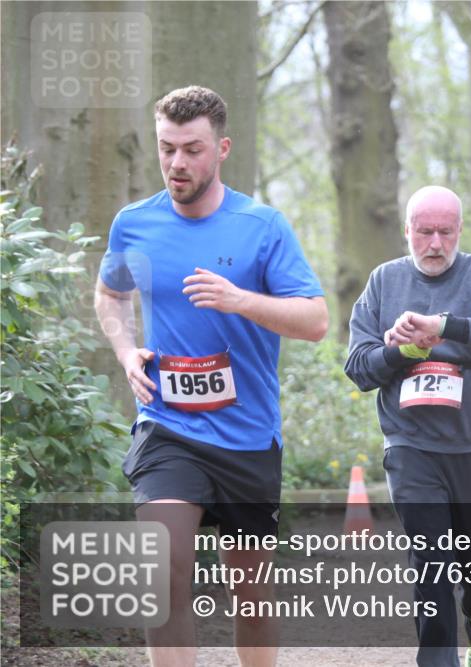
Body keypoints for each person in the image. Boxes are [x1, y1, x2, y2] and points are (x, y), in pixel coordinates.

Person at [94, 86, 328, 667]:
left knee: (250, 594)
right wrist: (126, 351)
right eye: (167, 149)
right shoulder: (135, 224)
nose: (177, 163)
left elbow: (316, 321)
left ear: (221, 148)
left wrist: (239, 300)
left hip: (248, 436)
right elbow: (109, 295)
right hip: (168, 427)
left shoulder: (262, 226)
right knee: (161, 565)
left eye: (192, 149)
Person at [345, 186, 471, 667]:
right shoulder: (384, 281)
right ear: (407, 230)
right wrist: (402, 352)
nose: (434, 243)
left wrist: (443, 327)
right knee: (430, 561)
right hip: (411, 444)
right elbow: (359, 365)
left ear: (459, 232)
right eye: (424, 231)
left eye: (445, 232)